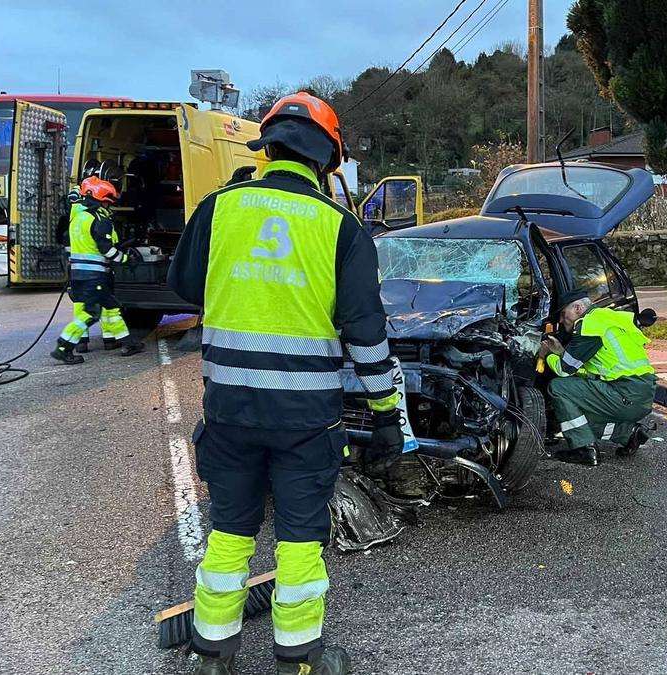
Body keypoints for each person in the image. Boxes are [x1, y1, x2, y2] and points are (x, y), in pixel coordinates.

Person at [168, 91, 405, 675]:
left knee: (229, 534)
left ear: (267, 146)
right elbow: (366, 334)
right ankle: (300, 660)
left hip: (229, 411)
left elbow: (183, 286)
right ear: (328, 159)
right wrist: (385, 414)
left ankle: (212, 655)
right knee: (301, 541)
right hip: (306, 420)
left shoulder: (221, 207)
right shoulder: (340, 228)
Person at [539, 292, 657, 466]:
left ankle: (583, 449)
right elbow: (586, 370)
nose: (562, 322)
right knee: (575, 417)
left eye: (564, 315)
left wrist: (546, 354)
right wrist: (561, 353)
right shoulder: (607, 317)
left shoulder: (589, 325)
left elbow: (564, 371)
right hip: (641, 393)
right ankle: (629, 434)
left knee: (559, 387)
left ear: (578, 308)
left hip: (625, 392)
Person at [50, 177, 144, 364]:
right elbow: (106, 250)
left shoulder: (78, 218)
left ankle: (127, 342)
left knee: (112, 307)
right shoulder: (99, 220)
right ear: (102, 200)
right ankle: (63, 347)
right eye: (109, 202)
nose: (109, 206)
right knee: (91, 313)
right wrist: (126, 260)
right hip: (95, 276)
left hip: (79, 274)